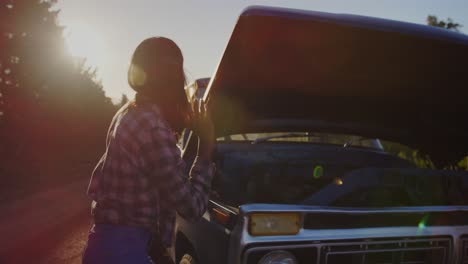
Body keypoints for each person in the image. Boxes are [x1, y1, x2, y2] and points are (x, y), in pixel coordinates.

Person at [82, 37, 215, 264]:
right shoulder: (151, 125)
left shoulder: (129, 112)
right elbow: (191, 207)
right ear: (173, 75)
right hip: (125, 254)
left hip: (106, 247)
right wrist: (206, 146)